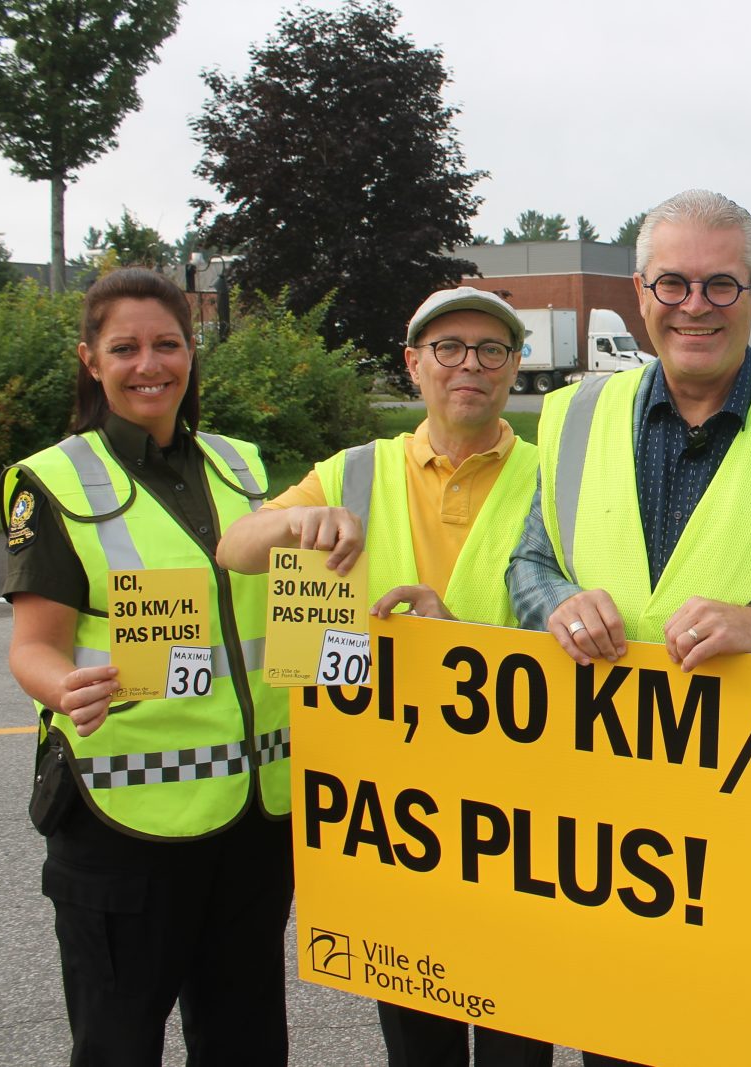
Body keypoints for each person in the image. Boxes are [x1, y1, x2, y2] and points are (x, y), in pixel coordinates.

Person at [509, 188, 751, 1067]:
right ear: (640, 295)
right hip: (611, 828)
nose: (696, 306)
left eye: (721, 285)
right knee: (616, 1041)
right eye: (674, 284)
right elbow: (528, 567)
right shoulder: (575, 416)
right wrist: (556, 605)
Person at [215, 287, 549, 1067]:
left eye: (491, 349)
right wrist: (297, 522)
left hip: (520, 797)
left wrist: (464, 642)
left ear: (513, 368)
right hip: (396, 812)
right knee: (418, 1039)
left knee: (517, 1039)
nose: (470, 364)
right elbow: (235, 546)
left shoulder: (557, 475)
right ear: (413, 365)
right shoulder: (352, 472)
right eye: (449, 347)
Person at [3, 268, 292, 1065]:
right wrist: (62, 685)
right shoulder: (55, 481)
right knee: (119, 1045)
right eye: (124, 347)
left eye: (167, 344)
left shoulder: (243, 469)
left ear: (192, 353)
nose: (149, 364)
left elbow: (286, 612)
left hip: (251, 818)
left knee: (246, 1044)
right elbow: (32, 646)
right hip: (121, 822)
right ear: (91, 360)